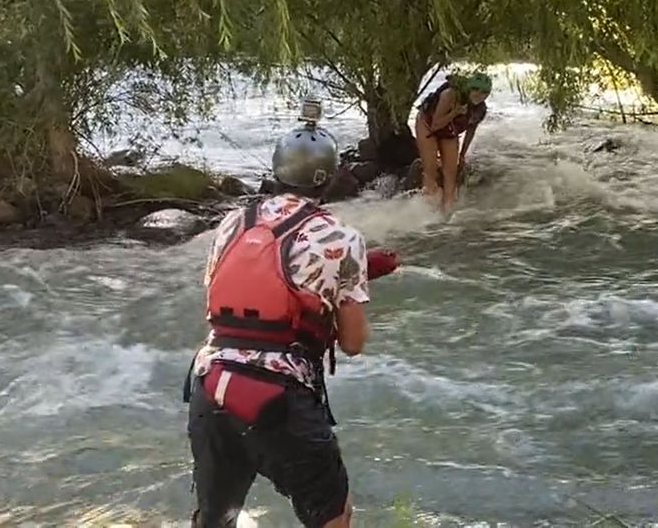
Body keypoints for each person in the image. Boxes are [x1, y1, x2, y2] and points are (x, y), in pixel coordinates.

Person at [183, 104, 401, 528]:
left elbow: (232, 295)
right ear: (332, 177)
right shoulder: (342, 237)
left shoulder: (232, 222)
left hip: (210, 383)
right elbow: (353, 344)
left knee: (215, 519)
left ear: (277, 170)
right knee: (331, 517)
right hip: (278, 398)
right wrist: (352, 279)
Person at [413, 70, 492, 211]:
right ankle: (428, 208)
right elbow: (436, 124)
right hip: (428, 125)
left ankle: (448, 212)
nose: (479, 95)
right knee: (430, 170)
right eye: (476, 89)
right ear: (469, 88)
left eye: (485, 92)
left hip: (449, 131)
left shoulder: (480, 110)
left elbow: (470, 131)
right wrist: (455, 112)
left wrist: (462, 154)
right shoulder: (449, 95)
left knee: (451, 173)